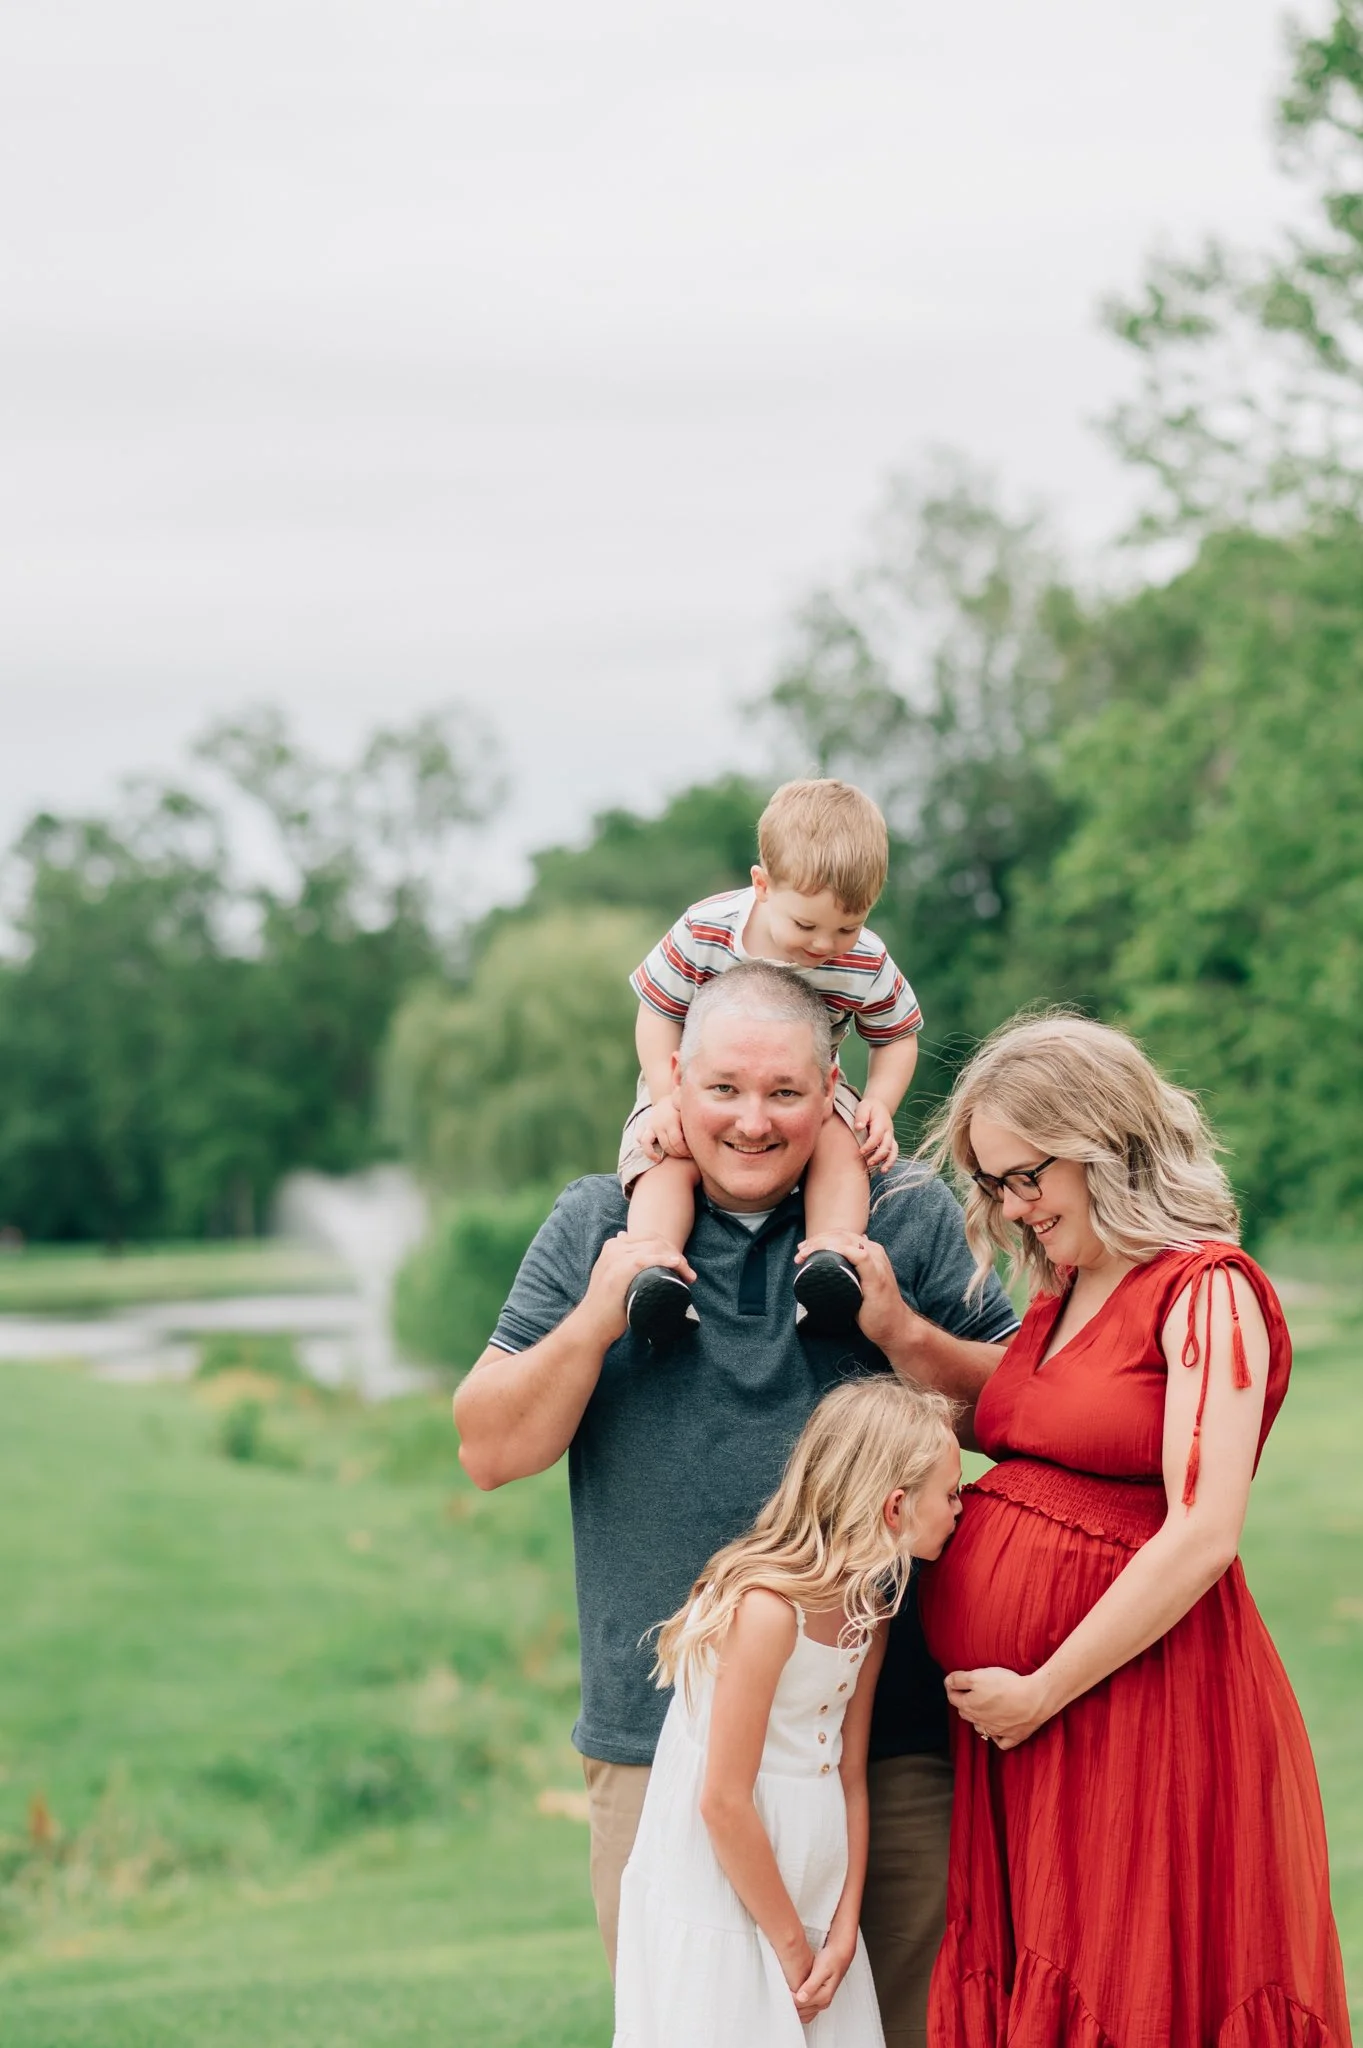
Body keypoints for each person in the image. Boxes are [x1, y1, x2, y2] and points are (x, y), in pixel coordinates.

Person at [454, 961, 1019, 2047]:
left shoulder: (900, 1216)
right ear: (670, 1080)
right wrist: (597, 1315)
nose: (752, 1122)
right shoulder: (598, 1221)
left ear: (834, 1091)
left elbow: (1020, 1411)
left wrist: (902, 1330)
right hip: (654, 1742)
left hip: (874, 1741)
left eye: (783, 1092)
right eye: (722, 1089)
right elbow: (487, 1447)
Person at [915, 1012, 1353, 2047]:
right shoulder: (1060, 1289)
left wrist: (1042, 1685)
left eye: (1028, 1176)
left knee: (1136, 1982)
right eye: (991, 1184)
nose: (1013, 1207)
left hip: (1139, 1698)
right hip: (1028, 1724)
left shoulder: (1206, 1291)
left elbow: (1201, 1530)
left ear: (1102, 1140)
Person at [613, 1379, 964, 2048]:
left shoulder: (870, 1612)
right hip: (732, 1892)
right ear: (894, 1506)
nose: (958, 1508)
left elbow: (850, 1775)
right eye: (948, 1493)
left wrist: (838, 1930)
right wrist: (788, 1945)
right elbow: (722, 1800)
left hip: (815, 1894)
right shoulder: (766, 1611)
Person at [622, 779, 923, 1343]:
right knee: (666, 1154)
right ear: (761, 886)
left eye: (847, 927)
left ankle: (831, 1262)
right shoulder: (705, 930)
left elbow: (897, 1034)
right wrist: (666, 1097)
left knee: (842, 1145)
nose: (824, 945)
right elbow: (656, 1010)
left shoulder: (864, 960)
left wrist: (880, 1104)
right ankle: (653, 1269)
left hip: (805, 1088)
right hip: (698, 1084)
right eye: (805, 926)